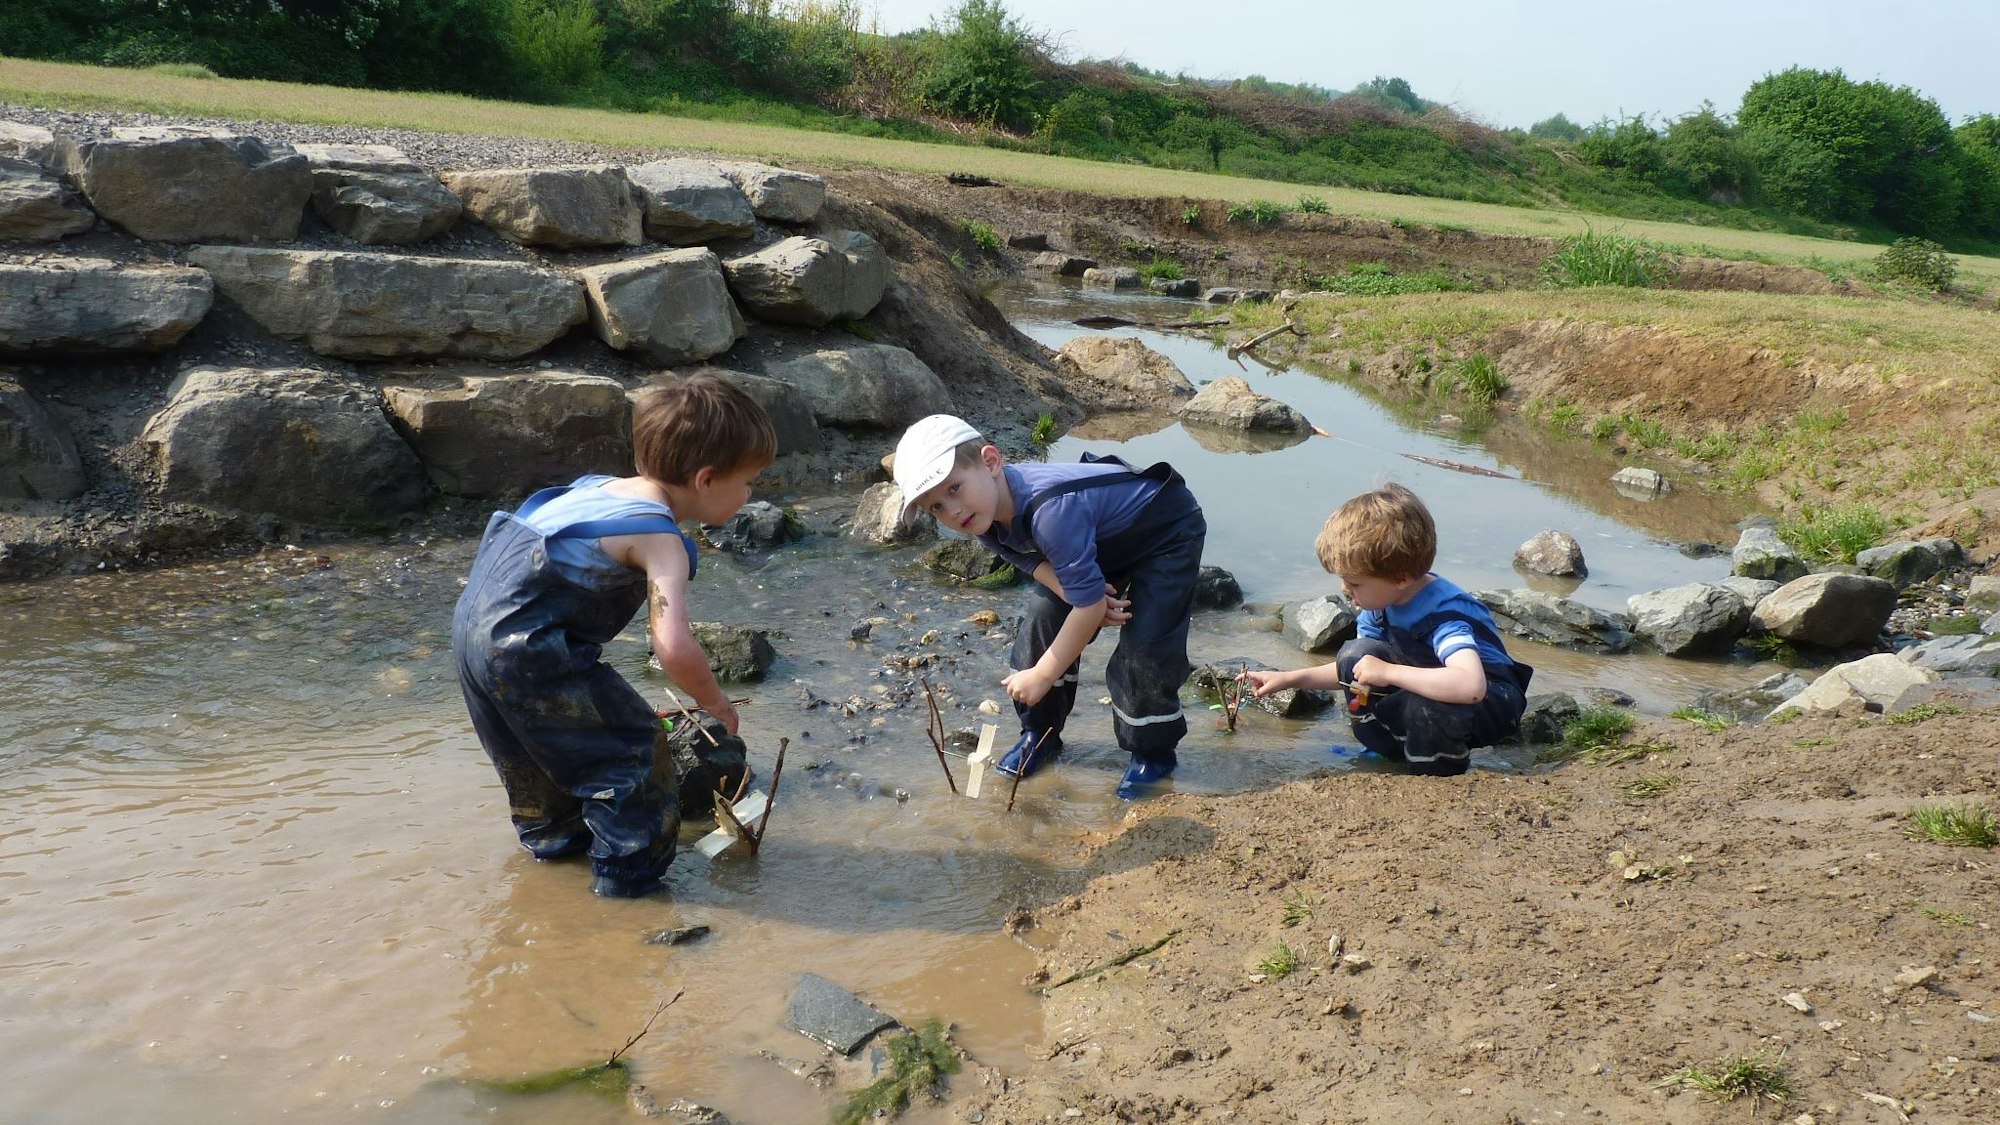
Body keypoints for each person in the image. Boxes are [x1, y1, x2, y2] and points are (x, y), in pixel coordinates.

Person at [452, 373, 775, 897]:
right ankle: (628, 894)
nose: (750, 494)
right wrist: (713, 700)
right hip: (535, 652)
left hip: (473, 637)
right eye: (749, 482)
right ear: (706, 479)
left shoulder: (595, 488)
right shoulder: (658, 535)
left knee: (534, 765)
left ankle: (554, 869)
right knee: (634, 759)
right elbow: (672, 645)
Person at [892, 414, 1206, 800]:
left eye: (955, 488)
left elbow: (1087, 609)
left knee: (1146, 648)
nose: (952, 512)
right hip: (1096, 536)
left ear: (991, 462)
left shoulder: (1050, 512)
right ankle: (1040, 734)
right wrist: (1076, 592)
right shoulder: (982, 514)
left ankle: (1153, 755)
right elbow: (1022, 558)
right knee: (1042, 622)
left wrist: (1045, 671)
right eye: (936, 506)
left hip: (1164, 530)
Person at [1243, 483, 1530, 776]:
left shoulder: (1443, 614)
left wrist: (1389, 672)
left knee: (1423, 705)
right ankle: (1389, 750)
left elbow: (1471, 687)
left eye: (1355, 583)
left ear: (1402, 578)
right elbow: (1359, 670)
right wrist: (1291, 678)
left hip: (1492, 700)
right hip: (1429, 684)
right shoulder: (1380, 603)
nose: (1345, 590)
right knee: (1356, 654)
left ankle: (1436, 769)